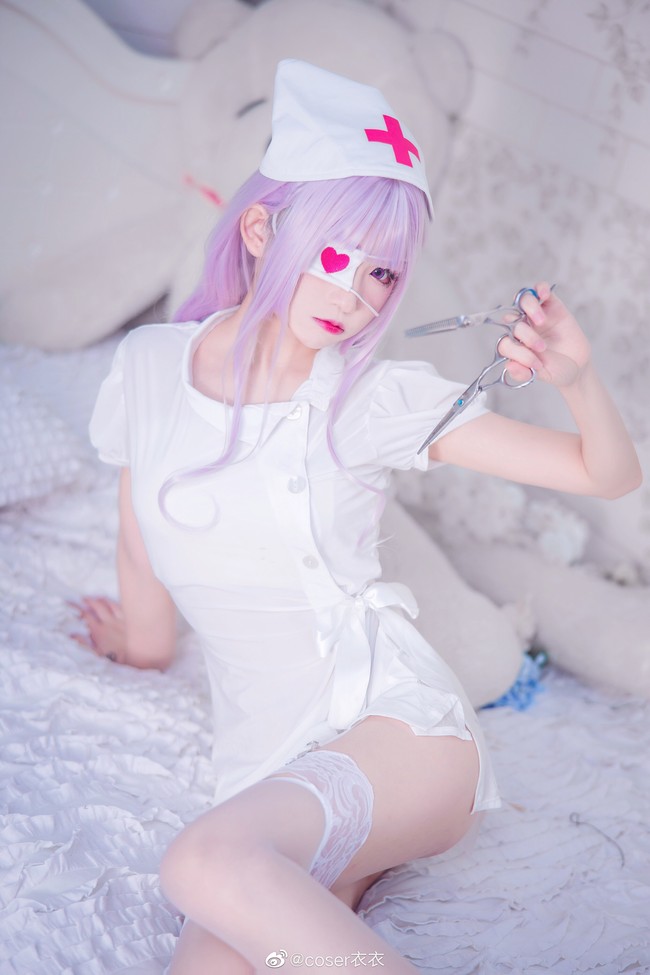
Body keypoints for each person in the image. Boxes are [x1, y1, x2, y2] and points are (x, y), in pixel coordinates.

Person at [73, 60, 641, 973]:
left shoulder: (374, 400)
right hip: (266, 761)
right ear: (262, 229)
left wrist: (576, 380)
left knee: (199, 862)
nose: (356, 295)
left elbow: (603, 473)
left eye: (381, 272)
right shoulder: (148, 366)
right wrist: (141, 647)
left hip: (398, 732)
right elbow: (140, 538)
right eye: (336, 256)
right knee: (209, 960)